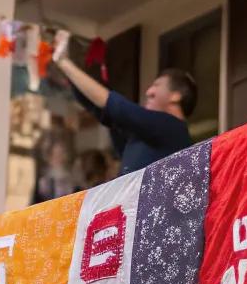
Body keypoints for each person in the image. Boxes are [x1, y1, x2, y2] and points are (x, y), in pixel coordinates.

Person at [52, 30, 195, 175]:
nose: (148, 92)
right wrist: (68, 72)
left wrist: (64, 62)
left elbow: (117, 107)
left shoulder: (173, 128)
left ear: (176, 96)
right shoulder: (143, 138)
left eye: (157, 86)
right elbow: (103, 110)